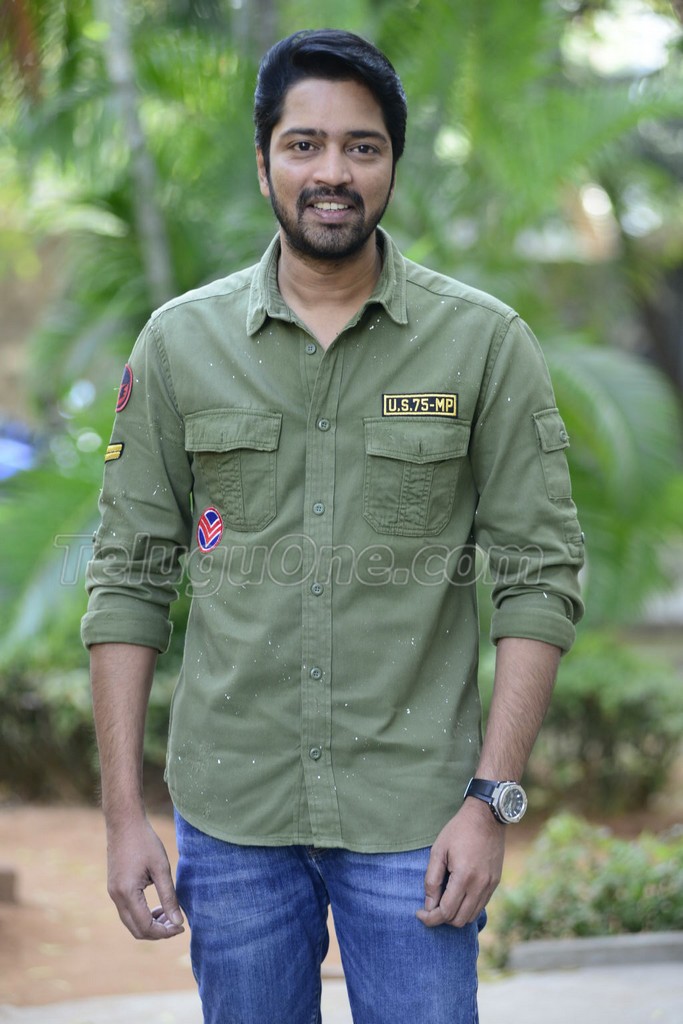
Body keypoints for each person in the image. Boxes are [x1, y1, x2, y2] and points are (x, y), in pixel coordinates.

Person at [82, 28, 584, 1024]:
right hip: (233, 816)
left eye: (361, 146)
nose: (332, 172)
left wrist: (491, 801)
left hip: (417, 821)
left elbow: (540, 574)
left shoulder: (482, 344)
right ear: (263, 160)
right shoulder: (179, 344)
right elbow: (128, 577)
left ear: (392, 163)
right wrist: (122, 816)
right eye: (303, 143)